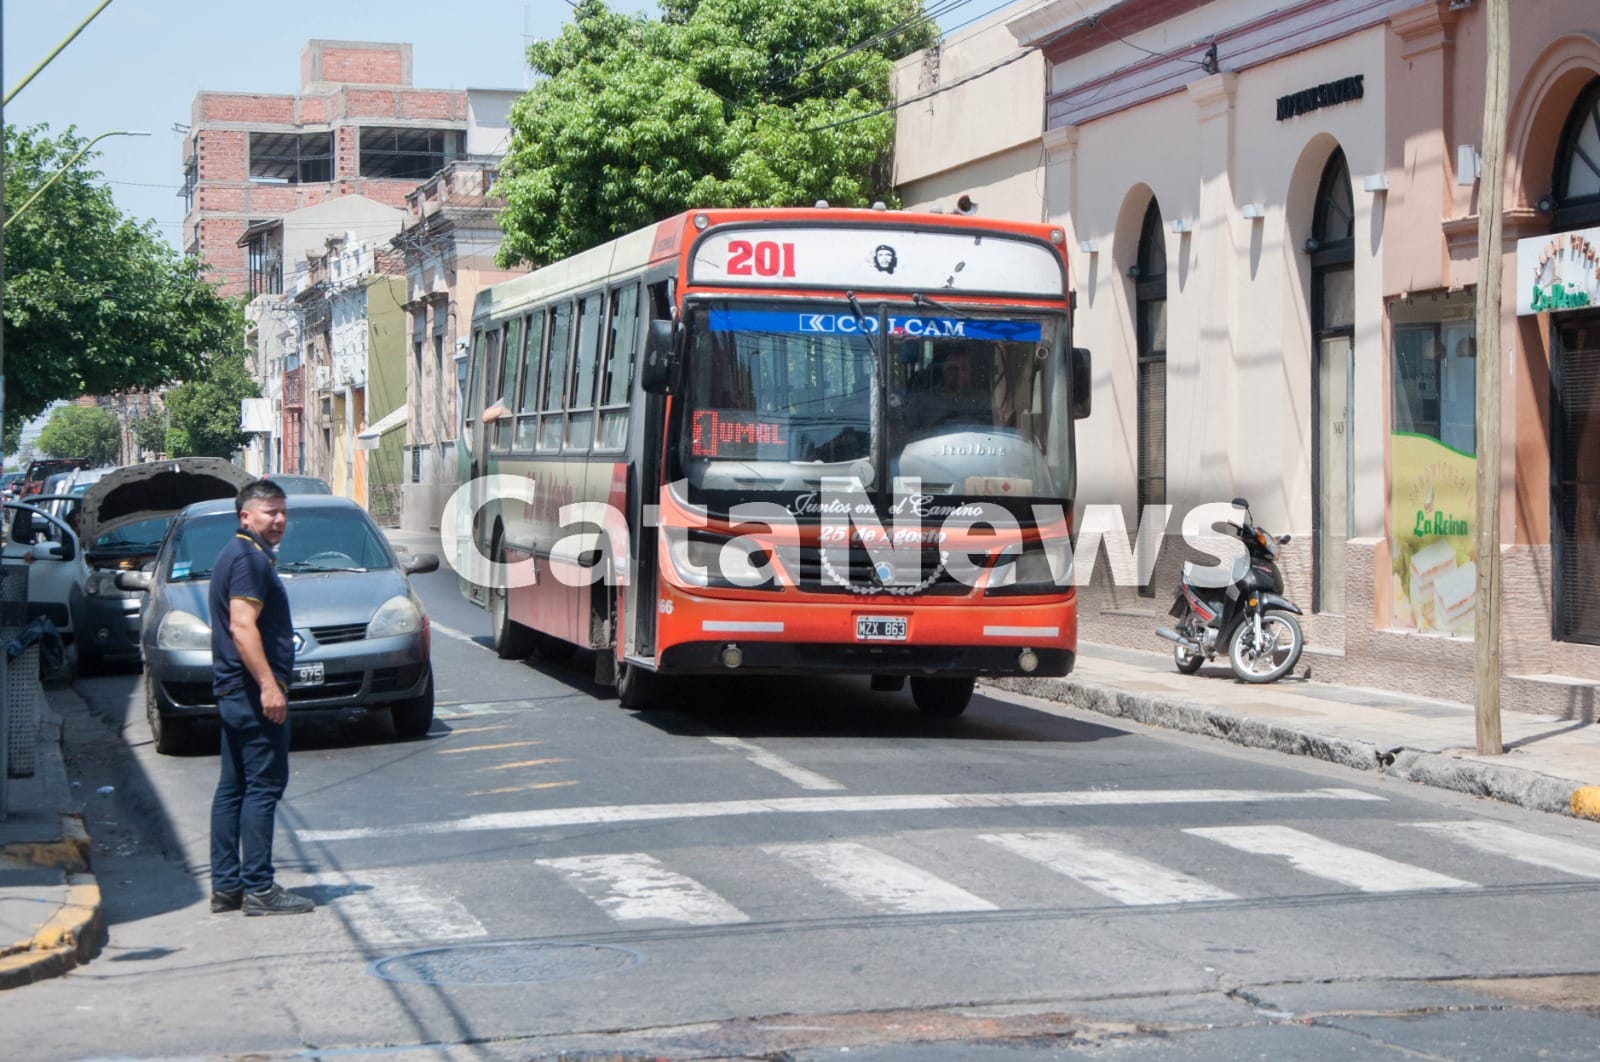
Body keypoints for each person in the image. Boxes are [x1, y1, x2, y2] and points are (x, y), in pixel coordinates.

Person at [208, 479, 313, 916]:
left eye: (283, 511)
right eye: (271, 512)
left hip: (234, 689)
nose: (280, 520)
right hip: (251, 692)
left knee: (233, 788)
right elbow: (242, 626)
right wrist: (270, 686)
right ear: (245, 516)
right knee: (263, 787)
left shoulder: (238, 554)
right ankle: (259, 888)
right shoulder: (248, 559)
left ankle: (227, 887)